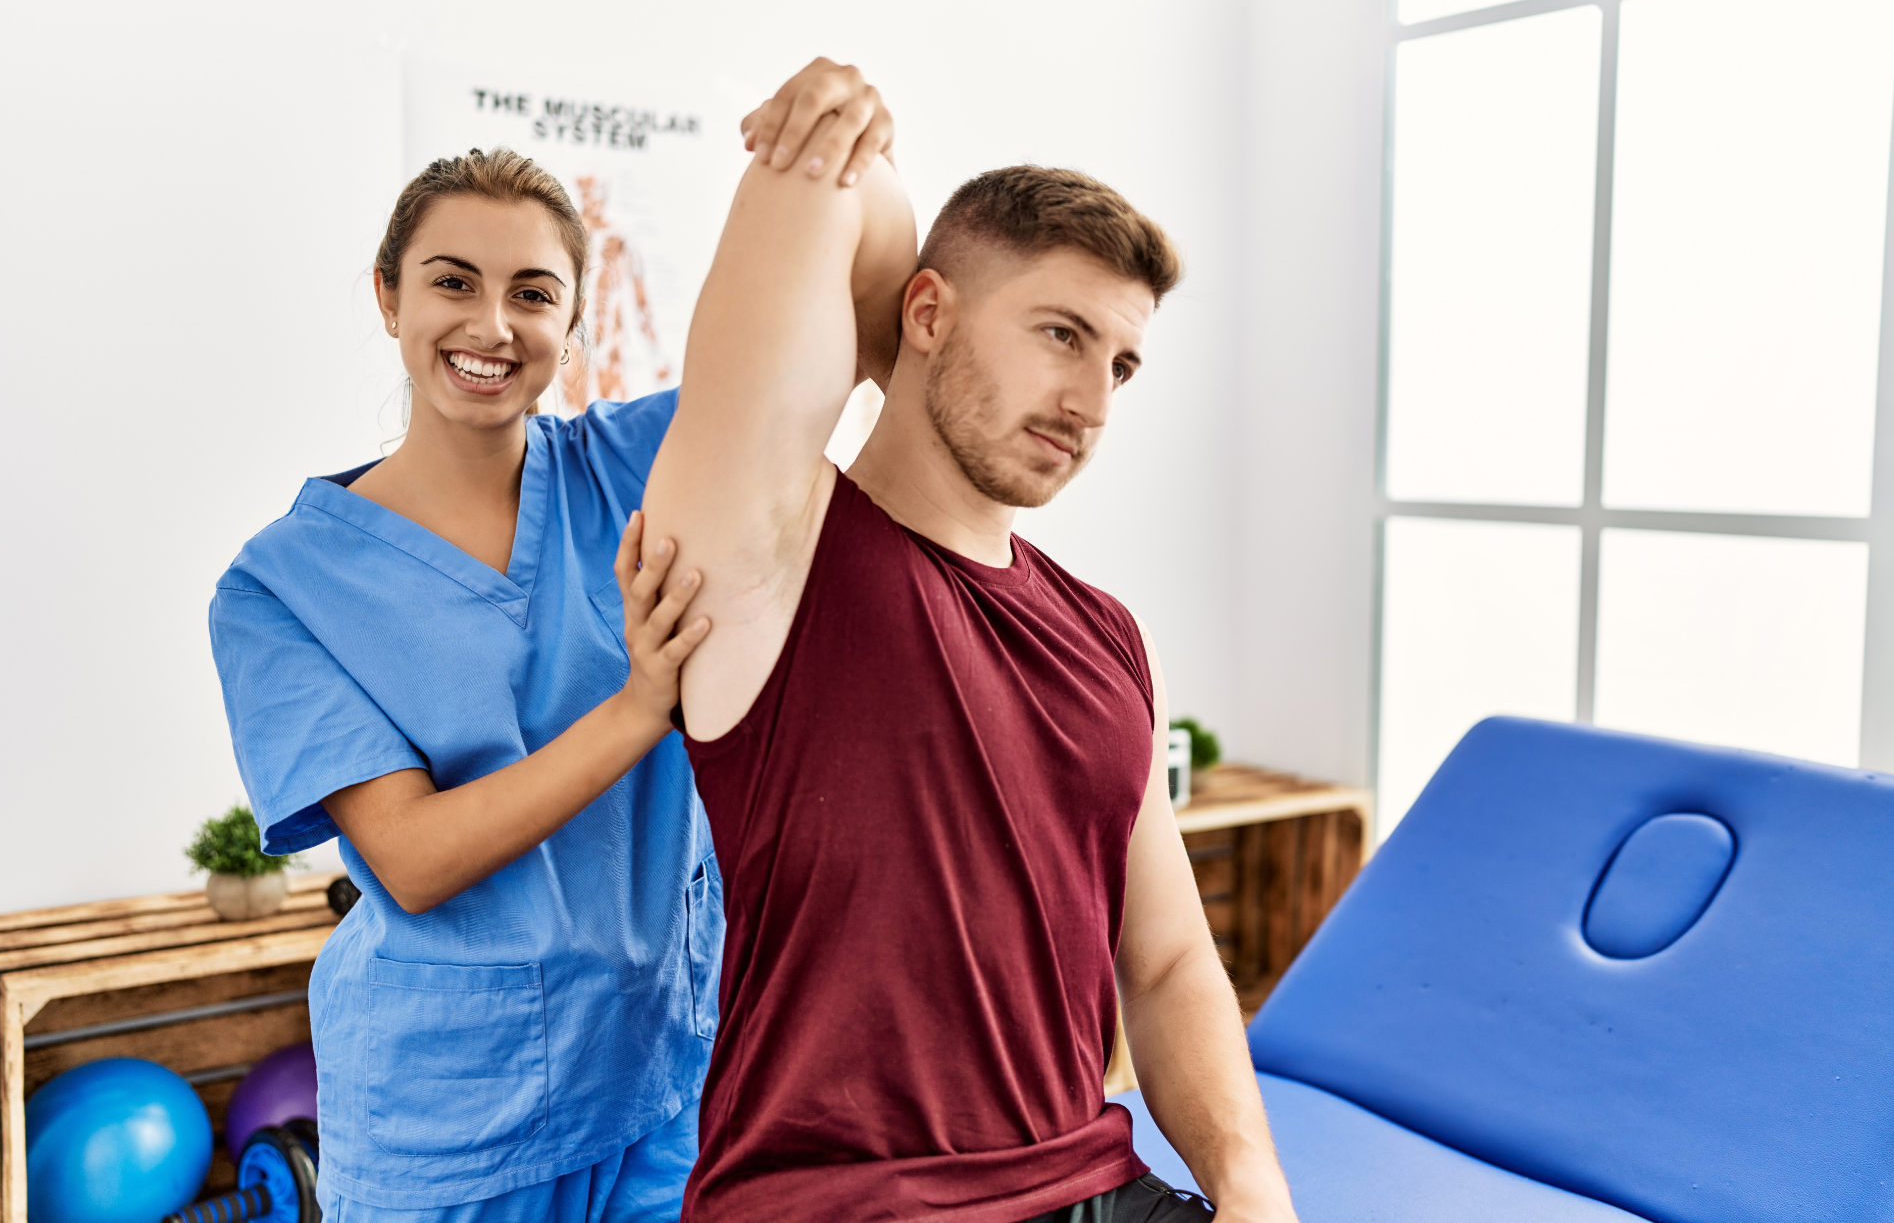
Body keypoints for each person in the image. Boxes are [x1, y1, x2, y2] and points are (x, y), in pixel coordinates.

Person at [207, 61, 894, 1222]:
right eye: (452, 282)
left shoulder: (640, 467)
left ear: (575, 320)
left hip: (667, 1079)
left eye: (533, 292)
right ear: (388, 296)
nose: (491, 324)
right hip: (449, 1125)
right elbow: (416, 859)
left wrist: (854, 164)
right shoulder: (280, 588)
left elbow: (871, 335)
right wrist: (640, 706)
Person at [642, 84, 1304, 1220]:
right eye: (1061, 334)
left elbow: (1166, 960)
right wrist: (861, 138)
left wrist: (1250, 1187)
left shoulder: (1105, 634)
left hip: (1097, 1182)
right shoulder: (773, 563)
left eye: (1122, 364)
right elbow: (813, 192)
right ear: (929, 313)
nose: (1092, 400)